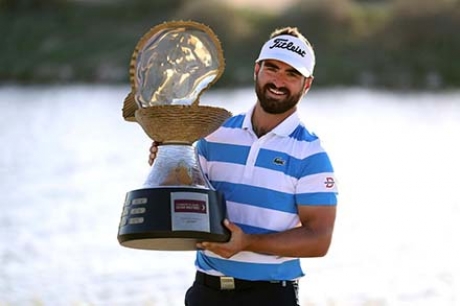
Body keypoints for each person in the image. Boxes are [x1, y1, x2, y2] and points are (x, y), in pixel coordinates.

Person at [148, 26, 338, 306]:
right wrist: (168, 157)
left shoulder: (311, 155)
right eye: (272, 68)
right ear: (257, 69)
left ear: (306, 84)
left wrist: (248, 242)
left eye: (292, 73)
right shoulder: (214, 132)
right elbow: (184, 192)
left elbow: (319, 239)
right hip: (205, 292)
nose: (278, 80)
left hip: (270, 296)